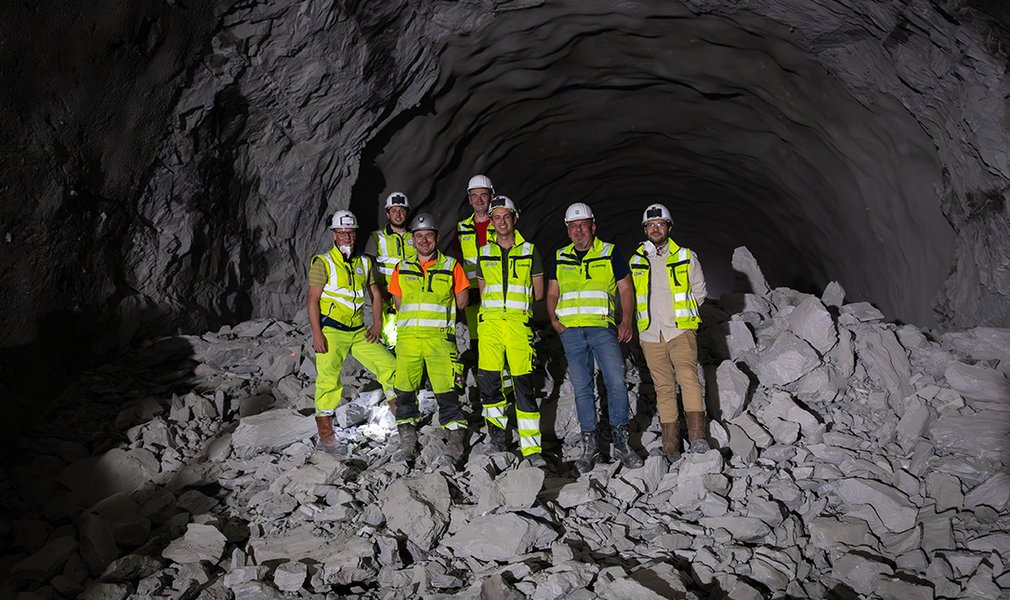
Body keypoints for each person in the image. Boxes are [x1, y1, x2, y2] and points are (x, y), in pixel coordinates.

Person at [546, 202, 644, 473]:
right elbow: (552, 291)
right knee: (582, 388)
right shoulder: (560, 256)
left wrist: (626, 319)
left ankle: (621, 442)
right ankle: (590, 448)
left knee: (615, 381)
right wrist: (553, 319)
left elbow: (625, 288)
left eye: (583, 225)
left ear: (593, 226)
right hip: (571, 332)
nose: (578, 230)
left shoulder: (609, 252)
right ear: (568, 230)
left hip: (603, 329)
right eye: (573, 226)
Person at [307, 210, 397, 456]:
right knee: (328, 381)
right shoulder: (322, 262)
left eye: (350, 232)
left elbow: (376, 294)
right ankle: (326, 438)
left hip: (358, 331)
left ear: (355, 234)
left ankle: (401, 419)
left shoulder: (365, 262)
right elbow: (312, 300)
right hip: (332, 331)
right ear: (334, 235)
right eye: (341, 232)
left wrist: (376, 324)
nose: (346, 236)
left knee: (389, 364)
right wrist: (317, 334)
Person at [388, 212, 470, 467]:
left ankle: (455, 446)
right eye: (419, 236)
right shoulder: (402, 267)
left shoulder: (451, 266)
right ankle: (407, 442)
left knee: (448, 393)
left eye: (429, 235)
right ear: (413, 239)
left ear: (436, 237)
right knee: (404, 393)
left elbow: (462, 300)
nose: (424, 240)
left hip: (440, 342)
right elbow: (398, 302)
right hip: (409, 342)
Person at [629, 203, 709, 459]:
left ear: (669, 227)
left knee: (688, 377)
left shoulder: (685, 256)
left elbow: (700, 291)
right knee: (663, 387)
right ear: (645, 230)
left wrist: (683, 316)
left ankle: (698, 438)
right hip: (650, 334)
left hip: (679, 331)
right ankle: (670, 445)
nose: (655, 229)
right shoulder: (636, 260)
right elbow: (629, 295)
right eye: (650, 225)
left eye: (660, 224)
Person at [476, 195, 546, 467]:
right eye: (496, 217)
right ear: (491, 222)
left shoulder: (530, 250)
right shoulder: (485, 252)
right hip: (491, 326)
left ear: (515, 219)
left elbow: (537, 292)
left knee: (523, 387)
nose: (502, 222)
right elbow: (483, 291)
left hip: (518, 326)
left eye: (506, 216)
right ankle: (496, 440)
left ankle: (532, 449)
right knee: (490, 385)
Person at [363, 191, 415, 347]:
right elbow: (367, 267)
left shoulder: (417, 237)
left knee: (412, 338)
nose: (398, 215)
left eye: (402, 210)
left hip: (411, 297)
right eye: (394, 210)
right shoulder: (377, 238)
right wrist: (376, 290)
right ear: (387, 213)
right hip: (387, 299)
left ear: (407, 213)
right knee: (390, 340)